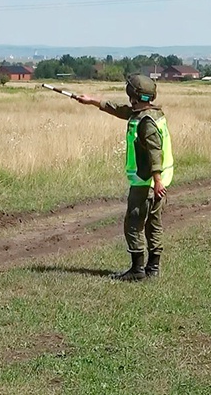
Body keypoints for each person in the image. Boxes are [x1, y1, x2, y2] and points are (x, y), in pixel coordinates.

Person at [74, 74, 174, 281]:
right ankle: (153, 268)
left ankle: (137, 270)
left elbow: (154, 152)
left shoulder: (145, 122)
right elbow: (121, 110)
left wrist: (155, 180)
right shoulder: (152, 114)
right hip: (158, 182)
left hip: (146, 183)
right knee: (154, 223)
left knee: (133, 223)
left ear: (133, 94)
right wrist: (92, 100)